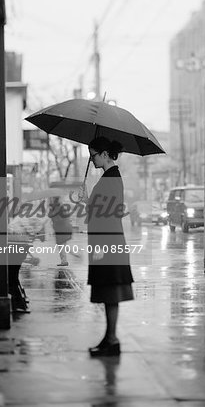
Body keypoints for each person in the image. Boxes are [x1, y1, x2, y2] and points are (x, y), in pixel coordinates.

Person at [82, 136, 134, 357]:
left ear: (104, 154)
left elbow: (107, 212)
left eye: (93, 155)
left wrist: (89, 202)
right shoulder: (108, 177)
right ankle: (109, 338)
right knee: (107, 291)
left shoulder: (111, 177)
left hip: (108, 243)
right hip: (106, 241)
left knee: (110, 291)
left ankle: (111, 340)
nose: (91, 159)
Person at [49, 196, 72, 266]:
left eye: (53, 199)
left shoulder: (59, 208)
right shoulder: (59, 208)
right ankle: (68, 258)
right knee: (63, 245)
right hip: (63, 229)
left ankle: (64, 261)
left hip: (62, 229)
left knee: (61, 245)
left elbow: (59, 219)